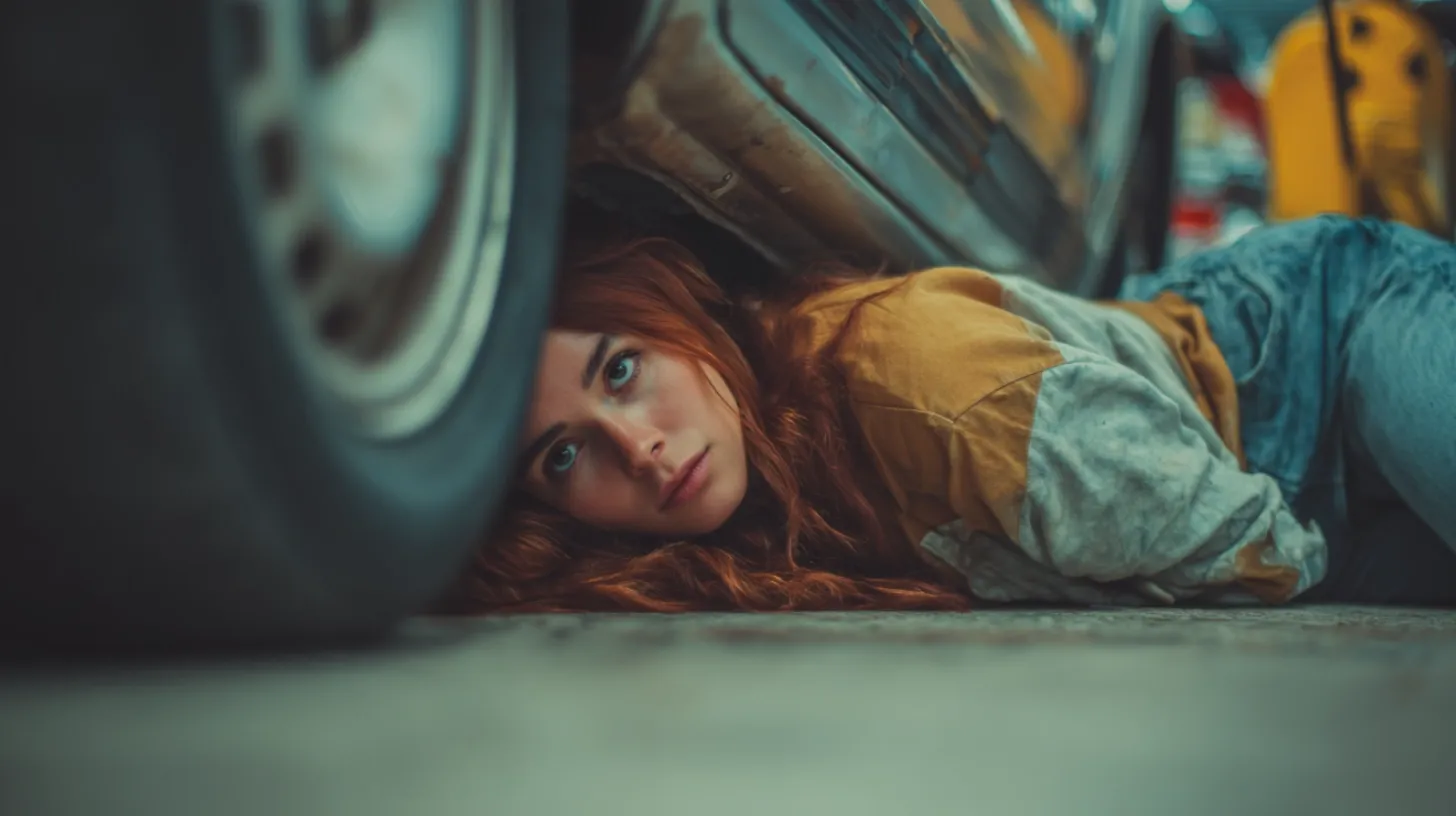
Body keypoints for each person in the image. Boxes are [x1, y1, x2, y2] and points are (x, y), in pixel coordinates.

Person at [444, 215, 1456, 613]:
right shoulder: (717, 514)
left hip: (1322, 337)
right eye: (564, 456)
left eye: (622, 369)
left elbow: (1258, 553)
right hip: (1250, 479)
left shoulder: (939, 389)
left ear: (683, 314)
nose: (637, 448)